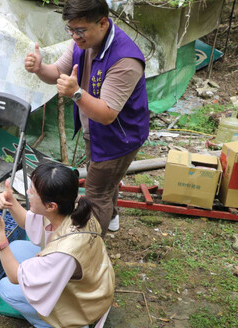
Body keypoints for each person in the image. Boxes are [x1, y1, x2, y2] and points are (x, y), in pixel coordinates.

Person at [24, 0, 149, 233]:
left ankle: (88, 246)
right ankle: (112, 218)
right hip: (97, 130)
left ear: (103, 23)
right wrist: (40, 68)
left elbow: (107, 115)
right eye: (70, 29)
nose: (74, 36)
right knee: (104, 180)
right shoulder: (82, 42)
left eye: (79, 30)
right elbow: (58, 72)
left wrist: (76, 93)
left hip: (119, 137)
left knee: (95, 194)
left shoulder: (126, 60)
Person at [0, 163, 114, 328]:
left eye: (31, 191)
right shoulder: (71, 208)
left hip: (84, 304)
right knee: (16, 249)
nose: (27, 193)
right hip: (91, 282)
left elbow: (14, 276)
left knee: (6, 288)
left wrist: (0, 237)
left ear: (51, 205)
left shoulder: (64, 252)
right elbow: (27, 222)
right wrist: (11, 202)